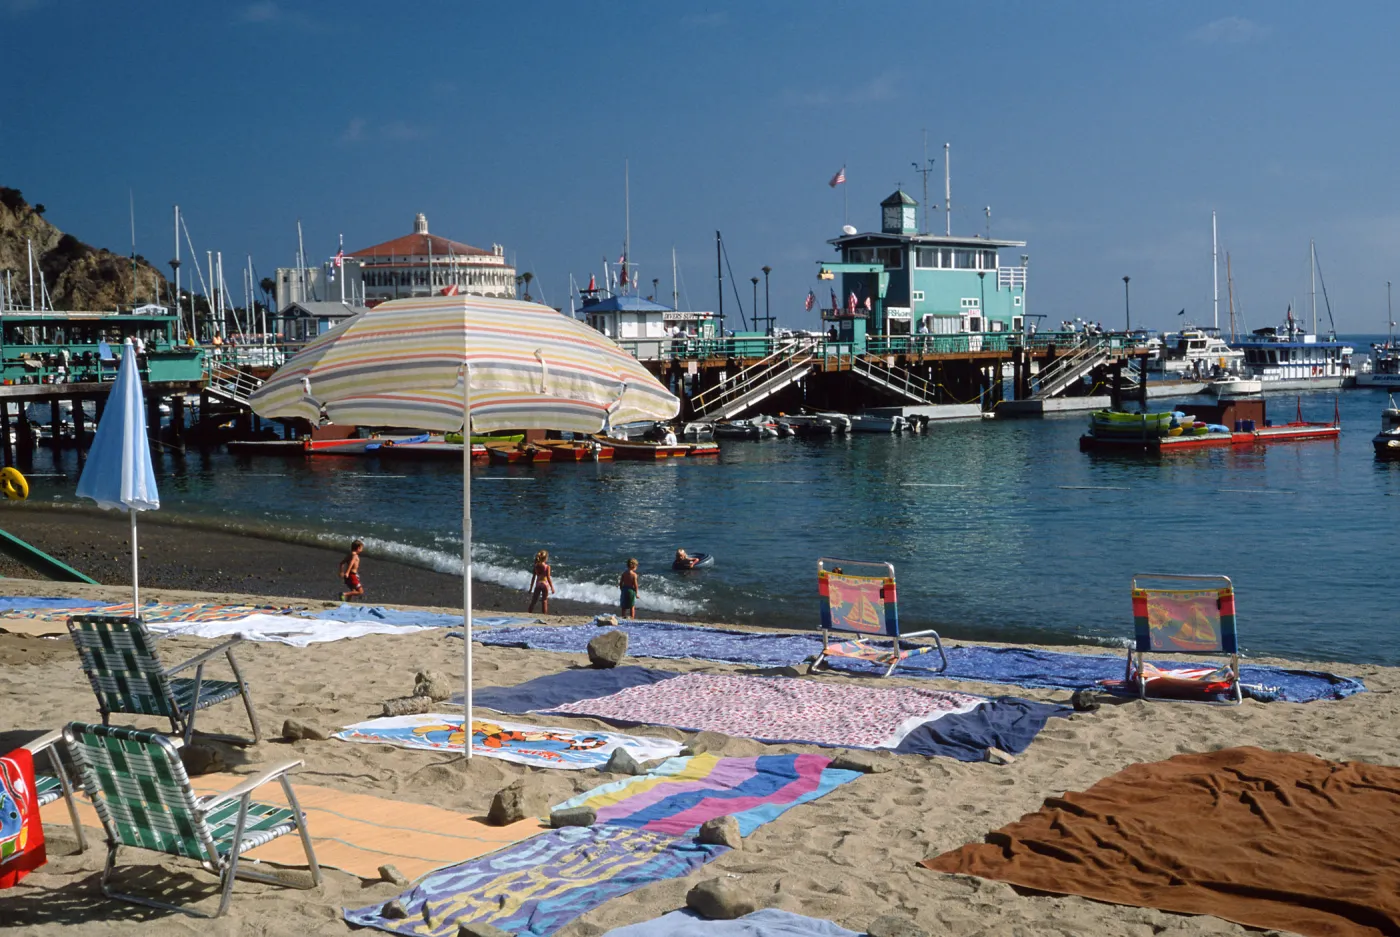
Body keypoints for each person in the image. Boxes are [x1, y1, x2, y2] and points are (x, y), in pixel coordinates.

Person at [528, 549, 555, 614]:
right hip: (545, 584)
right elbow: (548, 578)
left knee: (534, 600)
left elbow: (533, 578)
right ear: (545, 558)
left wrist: (531, 588)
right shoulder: (547, 567)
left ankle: (529, 612)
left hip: (538, 583)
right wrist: (552, 587)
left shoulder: (536, 566)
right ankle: (544, 614)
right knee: (544, 600)